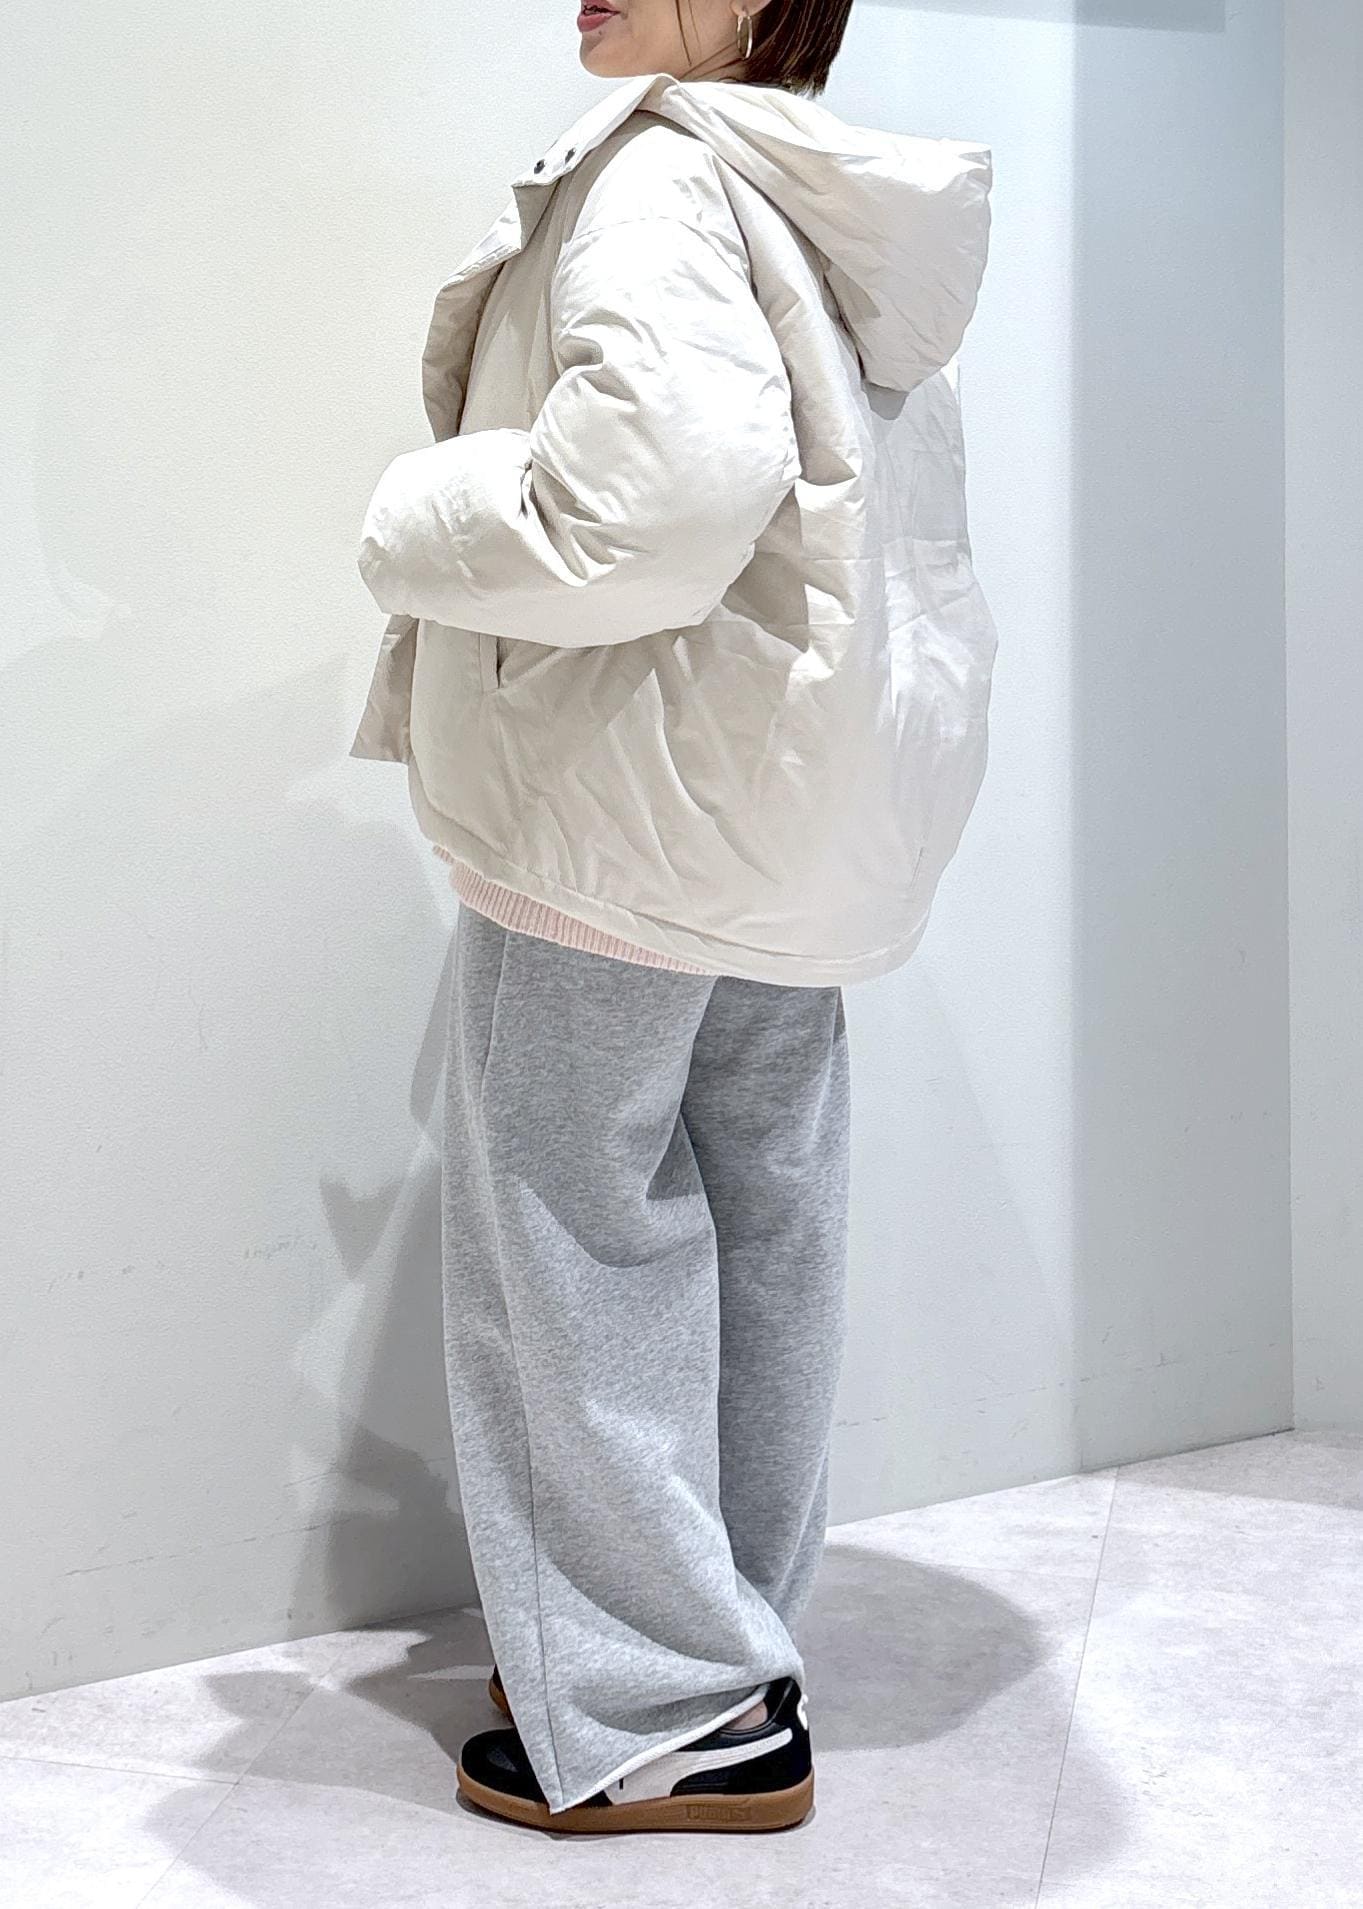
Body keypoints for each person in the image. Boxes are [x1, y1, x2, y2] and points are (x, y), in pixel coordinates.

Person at [351, 0, 996, 1836]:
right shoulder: (827, 196)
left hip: (618, 812)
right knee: (762, 1214)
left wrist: (410, 511)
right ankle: (717, 1640)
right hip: (776, 820)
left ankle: (658, 1699)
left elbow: (642, 507)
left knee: (570, 1233)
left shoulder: (658, 178)